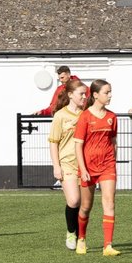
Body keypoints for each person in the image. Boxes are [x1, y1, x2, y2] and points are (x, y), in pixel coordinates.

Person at [73, 80, 121, 256]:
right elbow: (78, 146)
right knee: (86, 206)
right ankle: (82, 238)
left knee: (109, 203)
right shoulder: (85, 117)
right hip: (88, 168)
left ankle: (107, 245)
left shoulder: (112, 117)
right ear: (95, 95)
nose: (109, 95)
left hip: (107, 166)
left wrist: (113, 161)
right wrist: (83, 169)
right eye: (106, 92)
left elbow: (113, 142)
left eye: (110, 92)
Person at [48, 79, 88, 250]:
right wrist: (56, 166)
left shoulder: (87, 114)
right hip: (67, 163)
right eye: (81, 94)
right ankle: (71, 232)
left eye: (86, 94)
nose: (85, 97)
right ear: (71, 95)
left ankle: (81, 236)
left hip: (85, 164)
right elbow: (53, 142)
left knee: (84, 205)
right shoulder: (60, 116)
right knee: (73, 200)